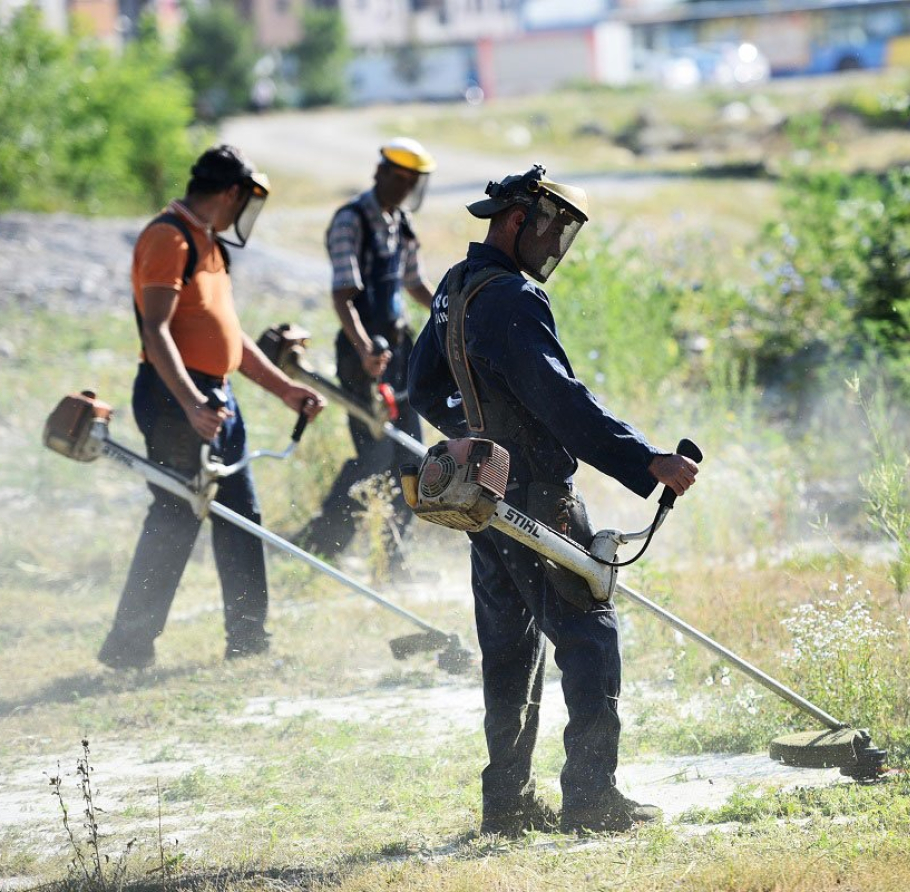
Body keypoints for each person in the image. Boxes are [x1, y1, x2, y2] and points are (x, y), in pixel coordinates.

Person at [407, 165, 700, 836]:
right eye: (553, 227)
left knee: (509, 653)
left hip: (484, 501)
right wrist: (644, 460)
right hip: (539, 499)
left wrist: (477, 444)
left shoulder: (457, 287)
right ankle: (592, 799)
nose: (556, 244)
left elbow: (422, 387)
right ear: (518, 220)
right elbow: (560, 401)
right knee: (589, 636)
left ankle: (506, 804)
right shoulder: (510, 296)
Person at [98, 145, 325, 670]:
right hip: (176, 396)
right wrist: (192, 402)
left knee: (241, 515)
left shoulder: (208, 243)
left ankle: (248, 639)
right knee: (176, 514)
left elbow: (230, 338)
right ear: (230, 193)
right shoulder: (168, 237)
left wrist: (285, 390)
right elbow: (155, 331)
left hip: (214, 396)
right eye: (244, 200)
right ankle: (129, 646)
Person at [294, 138, 437, 572]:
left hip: (400, 351)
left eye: (413, 182)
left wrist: (452, 315)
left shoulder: (402, 222)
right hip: (363, 354)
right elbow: (344, 296)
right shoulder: (350, 221)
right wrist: (363, 351)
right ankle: (323, 544)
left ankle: (394, 560)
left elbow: (413, 285)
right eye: (400, 179)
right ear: (381, 174)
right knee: (374, 455)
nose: (406, 188)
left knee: (412, 454)